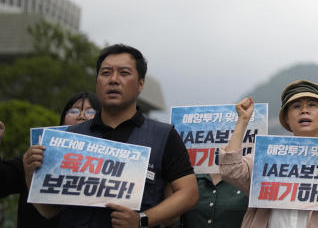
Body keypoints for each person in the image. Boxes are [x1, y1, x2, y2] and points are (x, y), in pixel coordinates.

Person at [23, 44, 198, 228]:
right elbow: (49, 211)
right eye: (106, 73)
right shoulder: (71, 137)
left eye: (124, 73)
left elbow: (189, 193)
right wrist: (30, 176)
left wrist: (141, 220)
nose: (113, 80)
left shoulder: (163, 136)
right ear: (97, 81)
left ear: (140, 84)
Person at [220, 81, 318, 228]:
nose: (304, 110)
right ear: (286, 117)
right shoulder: (266, 153)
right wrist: (242, 120)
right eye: (296, 106)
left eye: (312, 105)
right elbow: (231, 170)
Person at [1, 92, 102, 228]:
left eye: (90, 111)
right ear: (62, 119)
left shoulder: (109, 167)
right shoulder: (36, 158)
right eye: (74, 110)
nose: (81, 116)